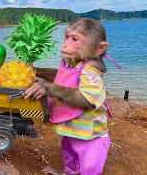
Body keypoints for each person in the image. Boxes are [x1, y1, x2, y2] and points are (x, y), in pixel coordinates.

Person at [24, 18, 122, 175]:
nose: (66, 44)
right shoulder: (73, 61)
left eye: (75, 39)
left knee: (89, 168)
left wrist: (49, 88)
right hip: (73, 130)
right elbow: (63, 77)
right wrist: (35, 71)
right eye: (67, 36)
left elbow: (86, 100)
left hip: (91, 137)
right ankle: (68, 172)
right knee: (68, 152)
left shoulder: (90, 70)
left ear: (99, 48)